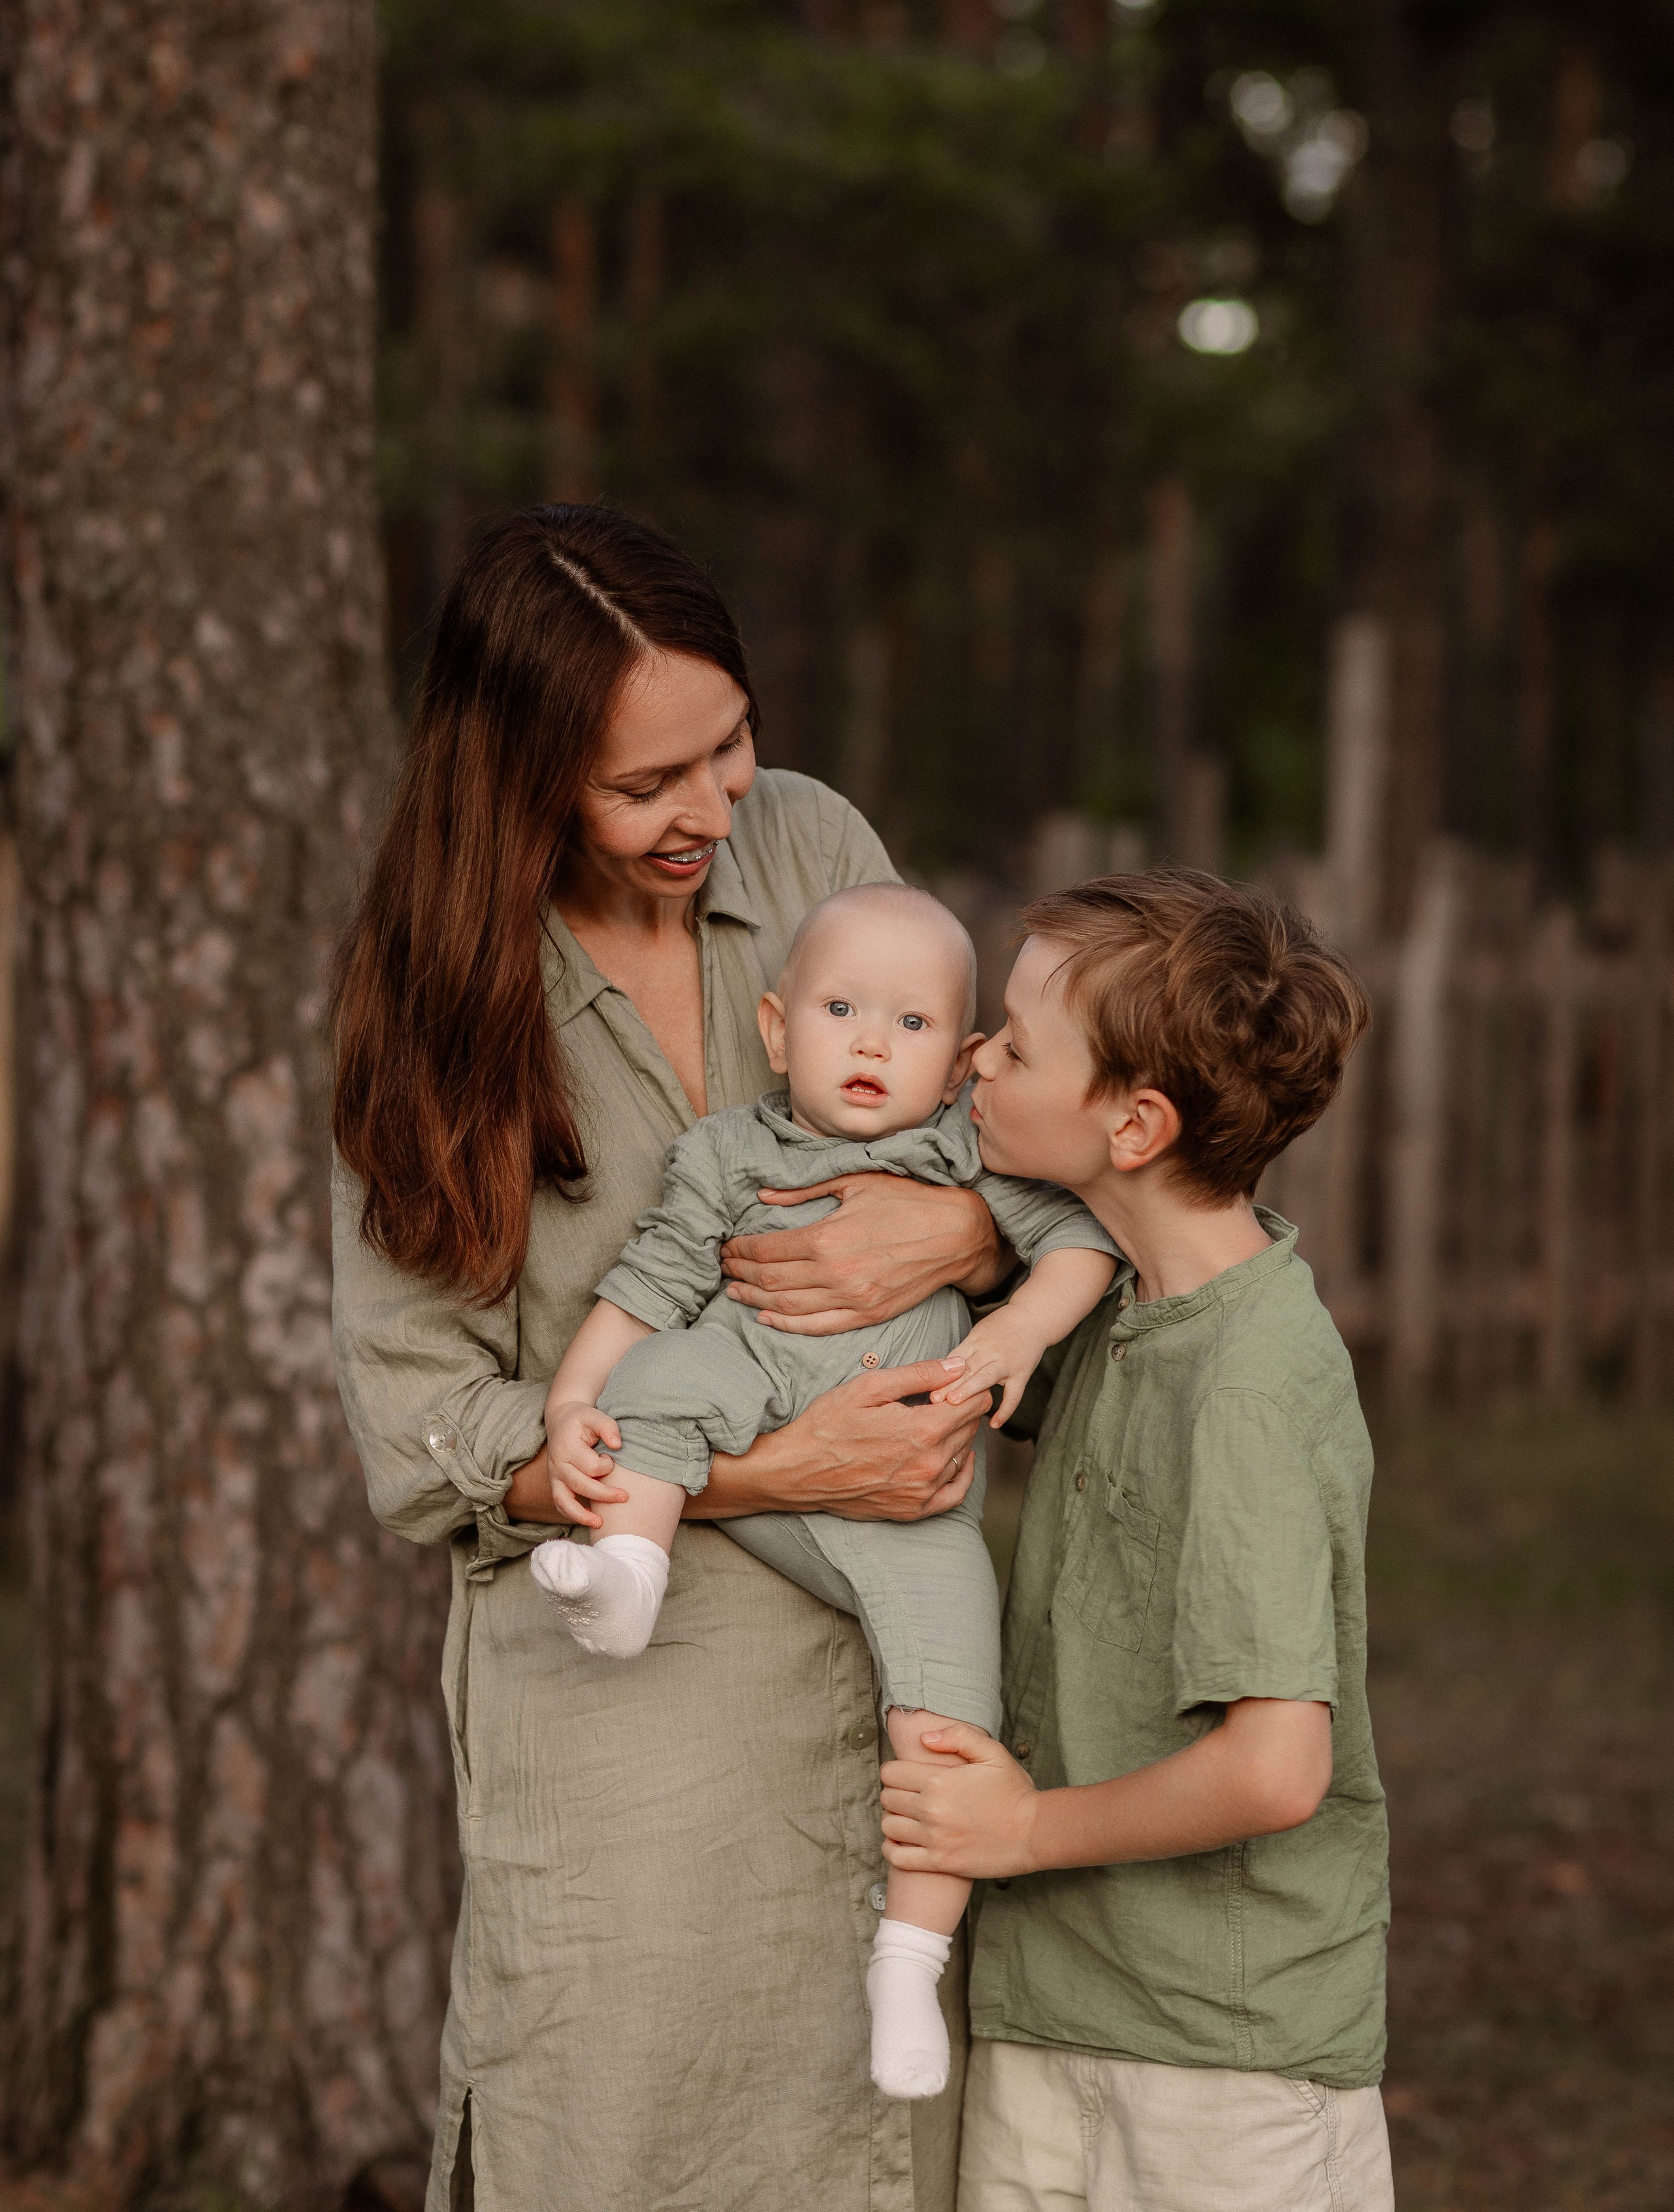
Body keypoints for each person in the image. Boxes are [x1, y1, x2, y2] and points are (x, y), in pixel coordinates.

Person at [331, 504, 1010, 2212]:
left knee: (875, 2144)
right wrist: (761, 1471)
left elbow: (991, 1127)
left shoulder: (810, 844)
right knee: (618, 2141)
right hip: (631, 1717)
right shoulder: (436, 1003)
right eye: (648, 784)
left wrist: (959, 1237)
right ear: (522, 780)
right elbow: (423, 1423)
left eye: (732, 743)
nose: (715, 804)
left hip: (889, 1663)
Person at [533, 882, 1121, 2100]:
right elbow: (648, 1286)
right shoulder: (726, 1154)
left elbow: (1084, 1246)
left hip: (913, 1493)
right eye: (842, 1010)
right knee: (657, 1381)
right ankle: (629, 1578)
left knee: (950, 1720)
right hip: (748, 1395)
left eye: (912, 1025)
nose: (871, 1044)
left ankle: (907, 1963)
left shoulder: (963, 1152)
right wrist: (570, 1402)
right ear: (776, 1028)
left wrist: (1014, 1330)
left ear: (959, 1061)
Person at [877, 873, 1393, 2212]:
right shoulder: (1120, 1312)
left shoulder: (1246, 1380)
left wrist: (1019, 1827)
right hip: (1055, 2007)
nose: (975, 1057)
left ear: (1135, 1124)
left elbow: (1276, 1769)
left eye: (1016, 1043)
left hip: (1221, 2061)